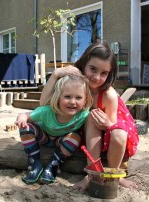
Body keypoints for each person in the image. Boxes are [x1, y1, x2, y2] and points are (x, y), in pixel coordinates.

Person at [40, 42, 139, 189]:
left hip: (106, 132)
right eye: (92, 69)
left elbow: (113, 130)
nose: (97, 77)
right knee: (91, 116)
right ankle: (92, 175)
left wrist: (108, 125)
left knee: (106, 124)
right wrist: (55, 75)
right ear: (84, 64)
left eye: (104, 73)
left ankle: (114, 176)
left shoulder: (108, 95)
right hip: (81, 129)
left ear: (109, 74)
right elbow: (43, 103)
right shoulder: (73, 82)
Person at [15, 74, 93, 184]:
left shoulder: (83, 115)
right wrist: (21, 119)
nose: (72, 102)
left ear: (85, 100)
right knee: (26, 128)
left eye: (78, 97)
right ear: (58, 97)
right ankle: (35, 164)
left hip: (61, 140)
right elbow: (25, 115)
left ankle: (53, 165)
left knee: (75, 137)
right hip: (43, 136)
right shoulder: (46, 111)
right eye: (67, 96)